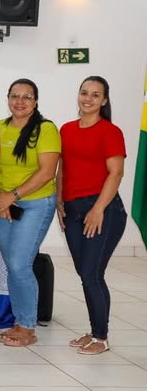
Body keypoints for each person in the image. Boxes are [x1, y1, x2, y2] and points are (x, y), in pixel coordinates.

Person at [58, 76, 127, 355]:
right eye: (84, 92)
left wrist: (98, 208)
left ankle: (101, 336)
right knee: (85, 273)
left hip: (104, 210)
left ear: (104, 100)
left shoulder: (110, 132)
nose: (88, 98)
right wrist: (59, 202)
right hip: (72, 210)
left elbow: (116, 172)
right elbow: (62, 169)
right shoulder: (66, 129)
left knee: (91, 273)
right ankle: (94, 329)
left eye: (95, 95)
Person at [0, 79, 60, 348]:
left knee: (20, 263)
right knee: (14, 265)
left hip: (35, 204)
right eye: (15, 96)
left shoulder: (46, 129)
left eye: (27, 97)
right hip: (2, 205)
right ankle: (19, 320)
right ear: (7, 98)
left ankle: (27, 325)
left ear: (36, 101)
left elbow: (46, 172)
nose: (20, 101)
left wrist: (12, 196)